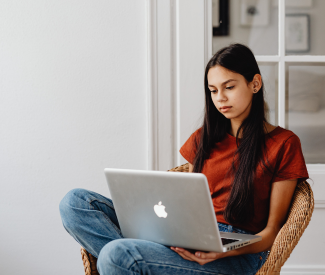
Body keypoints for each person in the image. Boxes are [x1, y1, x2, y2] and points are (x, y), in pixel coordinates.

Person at [59, 43, 309, 275]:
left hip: (237, 255)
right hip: (186, 236)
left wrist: (221, 249)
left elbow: (271, 233)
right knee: (74, 203)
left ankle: (126, 260)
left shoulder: (284, 143)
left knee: (116, 255)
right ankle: (131, 260)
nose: (220, 97)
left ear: (255, 84)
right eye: (213, 90)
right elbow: (184, 201)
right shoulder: (204, 138)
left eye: (229, 87)